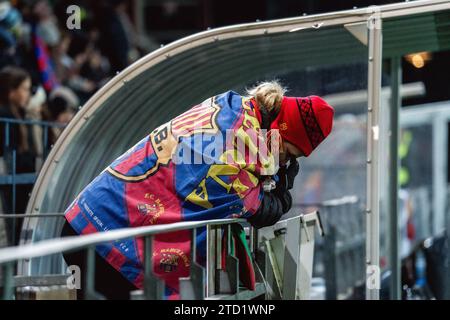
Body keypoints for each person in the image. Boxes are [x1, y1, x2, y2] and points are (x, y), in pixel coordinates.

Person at [61, 81, 334, 300]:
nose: (285, 162)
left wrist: (273, 176)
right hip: (106, 238)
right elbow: (258, 209)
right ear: (278, 131)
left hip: (92, 218)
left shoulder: (234, 107)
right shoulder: (240, 145)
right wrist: (280, 195)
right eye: (288, 152)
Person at [0, 66, 33, 245]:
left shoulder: (20, 115)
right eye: (25, 89)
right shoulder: (5, 116)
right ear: (12, 91)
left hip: (19, 183)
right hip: (11, 183)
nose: (28, 94)